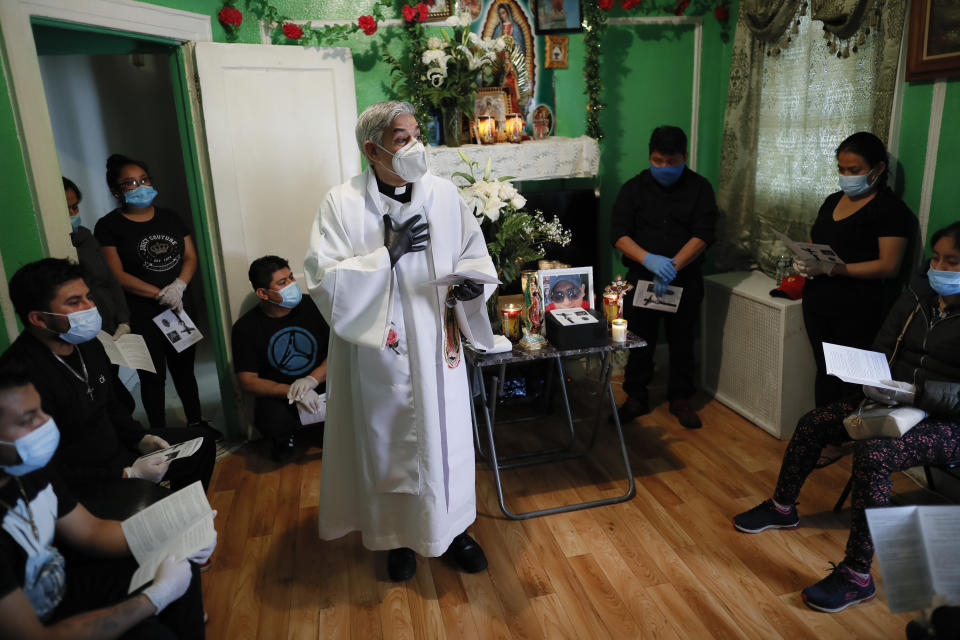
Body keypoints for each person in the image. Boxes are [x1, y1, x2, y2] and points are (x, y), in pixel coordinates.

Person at [304, 100, 495, 582]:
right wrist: (383, 258)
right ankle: (395, 537)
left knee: (447, 438)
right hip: (380, 352)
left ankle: (454, 530)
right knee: (387, 442)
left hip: (436, 342)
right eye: (402, 139)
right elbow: (322, 279)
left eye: (415, 134)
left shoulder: (444, 195)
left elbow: (474, 251)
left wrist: (472, 284)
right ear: (372, 149)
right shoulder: (341, 203)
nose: (415, 146)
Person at [732, 222, 960, 614]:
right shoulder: (917, 296)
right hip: (894, 401)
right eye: (936, 258)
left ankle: (857, 576)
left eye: (952, 261)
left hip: (947, 421)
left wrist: (917, 394)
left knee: (873, 455)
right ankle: (782, 506)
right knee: (814, 422)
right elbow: (884, 345)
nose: (939, 267)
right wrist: (874, 380)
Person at [0, 365, 212, 639]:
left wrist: (175, 534)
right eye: (28, 420)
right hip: (41, 623)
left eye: (42, 411)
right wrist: (153, 598)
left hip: (62, 586)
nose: (46, 423)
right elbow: (36, 636)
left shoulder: (29, 469)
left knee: (179, 561)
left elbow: (90, 531)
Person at [1, 259, 215, 520]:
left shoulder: (88, 344)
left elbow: (112, 405)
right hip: (82, 481)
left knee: (200, 443)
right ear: (39, 318)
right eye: (74, 302)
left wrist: (139, 438)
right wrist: (127, 475)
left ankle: (185, 511)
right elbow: (47, 467)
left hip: (119, 450)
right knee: (169, 518)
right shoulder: (18, 380)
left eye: (88, 297)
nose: (90, 307)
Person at [796, 132, 916, 408]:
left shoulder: (890, 210)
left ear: (878, 169)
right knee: (825, 370)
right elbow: (815, 241)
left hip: (858, 306)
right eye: (841, 169)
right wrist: (804, 259)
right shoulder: (832, 200)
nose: (846, 175)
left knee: (851, 376)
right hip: (818, 300)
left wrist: (835, 269)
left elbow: (888, 265)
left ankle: (847, 435)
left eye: (855, 170)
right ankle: (825, 435)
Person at [610, 125, 718, 429]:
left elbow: (704, 233)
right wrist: (649, 260)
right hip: (642, 277)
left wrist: (673, 266)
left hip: (684, 279)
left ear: (684, 157)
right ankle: (635, 397)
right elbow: (618, 233)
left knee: (682, 341)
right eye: (657, 161)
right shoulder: (634, 188)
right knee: (639, 340)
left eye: (671, 162)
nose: (664, 167)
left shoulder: (700, 188)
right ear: (650, 157)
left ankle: (681, 399)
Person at [94, 154, 211, 433]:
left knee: (185, 371)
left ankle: (196, 423)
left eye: (144, 179)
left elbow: (190, 257)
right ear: (116, 191)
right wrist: (160, 293)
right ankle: (160, 432)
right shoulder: (109, 226)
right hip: (141, 313)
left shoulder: (170, 217)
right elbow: (116, 274)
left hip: (179, 308)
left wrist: (178, 286)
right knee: (152, 376)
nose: (140, 186)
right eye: (130, 183)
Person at [232, 256, 329, 462]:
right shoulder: (245, 328)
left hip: (321, 383)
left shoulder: (314, 306)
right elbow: (248, 381)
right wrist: (294, 392)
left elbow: (339, 352)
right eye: (282, 282)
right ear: (263, 293)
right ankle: (284, 440)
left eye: (291, 277)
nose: (292, 285)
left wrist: (311, 380)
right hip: (282, 394)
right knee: (271, 419)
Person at [63, 177, 136, 415]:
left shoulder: (85, 236)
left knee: (114, 387)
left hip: (109, 326)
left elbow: (110, 280)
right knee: (106, 395)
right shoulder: (56, 244)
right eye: (68, 208)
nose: (75, 213)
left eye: (76, 206)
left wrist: (123, 319)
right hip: (82, 333)